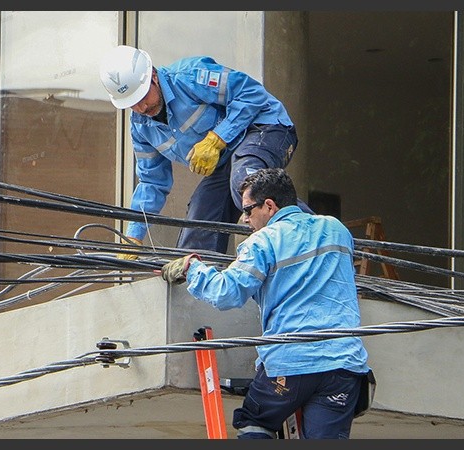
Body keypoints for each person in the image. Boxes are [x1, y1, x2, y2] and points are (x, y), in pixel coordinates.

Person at [160, 168, 370, 439]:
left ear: (269, 206)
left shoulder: (263, 241)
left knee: (253, 421)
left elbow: (227, 292)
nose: (245, 219)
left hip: (290, 364)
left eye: (248, 210)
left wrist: (192, 269)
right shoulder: (336, 229)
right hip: (343, 366)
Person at [98, 45, 313, 259]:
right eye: (132, 104)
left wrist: (217, 138)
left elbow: (252, 94)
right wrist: (134, 236)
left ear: (153, 77)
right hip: (227, 161)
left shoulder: (189, 76)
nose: (141, 108)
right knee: (198, 227)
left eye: (143, 97)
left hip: (265, 127)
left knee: (247, 184)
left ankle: (320, 236)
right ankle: (201, 284)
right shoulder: (140, 127)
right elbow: (151, 182)